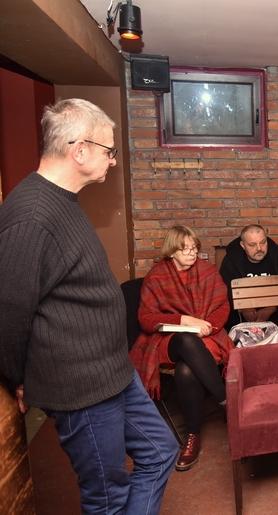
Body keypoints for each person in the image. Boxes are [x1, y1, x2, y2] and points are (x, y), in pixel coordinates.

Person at [0, 98, 178, 513]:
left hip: (112, 373)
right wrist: (16, 376)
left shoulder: (63, 200)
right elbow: (9, 310)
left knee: (160, 451)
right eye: (109, 150)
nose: (113, 161)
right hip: (80, 386)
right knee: (107, 497)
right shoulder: (30, 215)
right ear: (79, 150)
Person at [130, 225, 233, 472]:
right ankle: (226, 400)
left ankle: (192, 436)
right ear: (172, 251)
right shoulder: (156, 276)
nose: (192, 253)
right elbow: (146, 318)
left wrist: (208, 326)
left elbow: (223, 306)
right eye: (185, 249)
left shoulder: (207, 271)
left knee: (186, 370)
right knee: (186, 340)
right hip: (169, 339)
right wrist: (184, 321)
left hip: (207, 336)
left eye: (194, 248)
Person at [219, 224, 278, 340]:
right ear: (243, 245)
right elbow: (225, 291)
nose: (259, 248)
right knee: (225, 313)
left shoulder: (277, 255)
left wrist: (271, 308)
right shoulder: (231, 261)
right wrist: (245, 308)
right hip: (242, 311)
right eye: (252, 245)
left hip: (276, 308)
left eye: (263, 242)